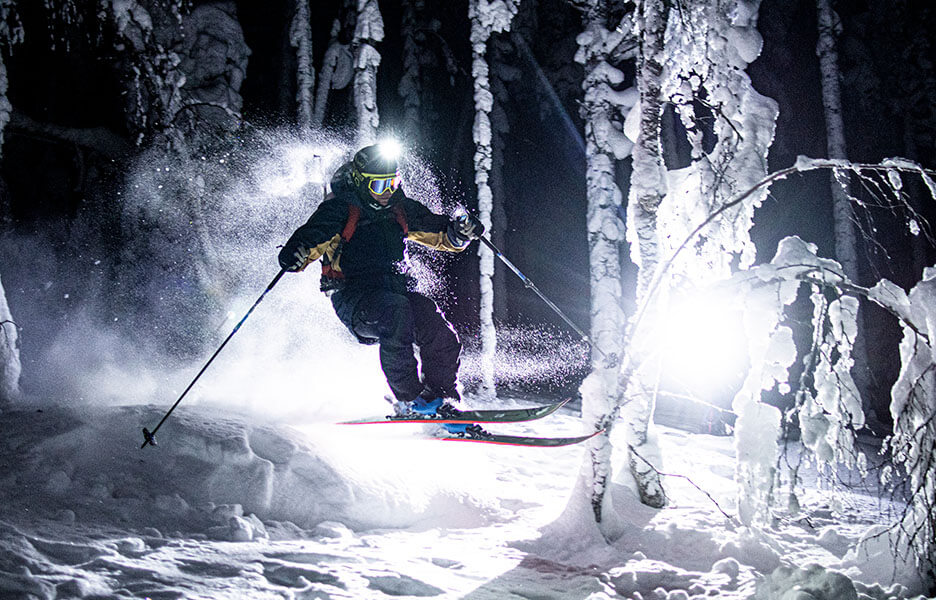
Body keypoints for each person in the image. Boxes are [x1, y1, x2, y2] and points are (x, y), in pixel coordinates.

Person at [278, 142, 483, 432]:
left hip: (393, 294)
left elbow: (440, 233)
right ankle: (411, 400)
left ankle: (443, 401)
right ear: (362, 182)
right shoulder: (339, 210)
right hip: (356, 302)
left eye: (393, 182)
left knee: (432, 321)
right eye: (379, 185)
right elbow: (309, 241)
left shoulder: (400, 209)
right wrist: (294, 255)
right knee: (395, 310)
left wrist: (459, 232)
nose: (387, 191)